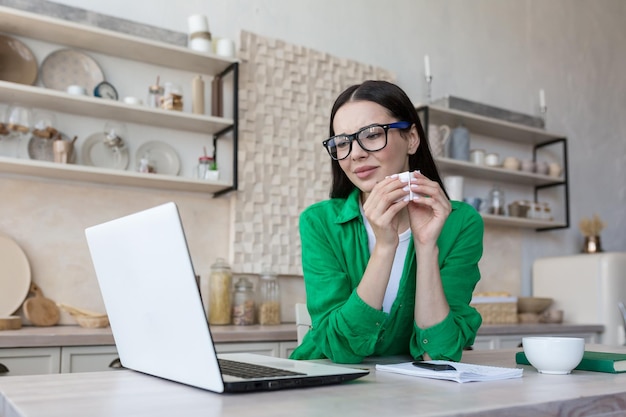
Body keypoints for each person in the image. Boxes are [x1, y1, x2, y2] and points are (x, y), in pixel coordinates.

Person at [289, 80, 483, 364]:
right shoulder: (319, 222)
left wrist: (427, 247)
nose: (355, 153)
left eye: (370, 134)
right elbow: (342, 348)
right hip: (325, 380)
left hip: (409, 392)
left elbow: (439, 353)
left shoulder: (460, 222)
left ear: (412, 138)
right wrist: (385, 246)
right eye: (342, 142)